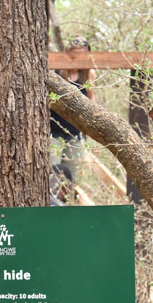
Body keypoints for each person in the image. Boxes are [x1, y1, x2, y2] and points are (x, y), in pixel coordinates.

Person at [50, 36, 95, 203]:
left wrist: (89, 136)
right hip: (53, 133)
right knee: (51, 176)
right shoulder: (56, 70)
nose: (78, 58)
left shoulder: (88, 74)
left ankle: (65, 212)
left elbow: (91, 104)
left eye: (82, 55)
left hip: (75, 135)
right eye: (75, 54)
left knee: (70, 180)